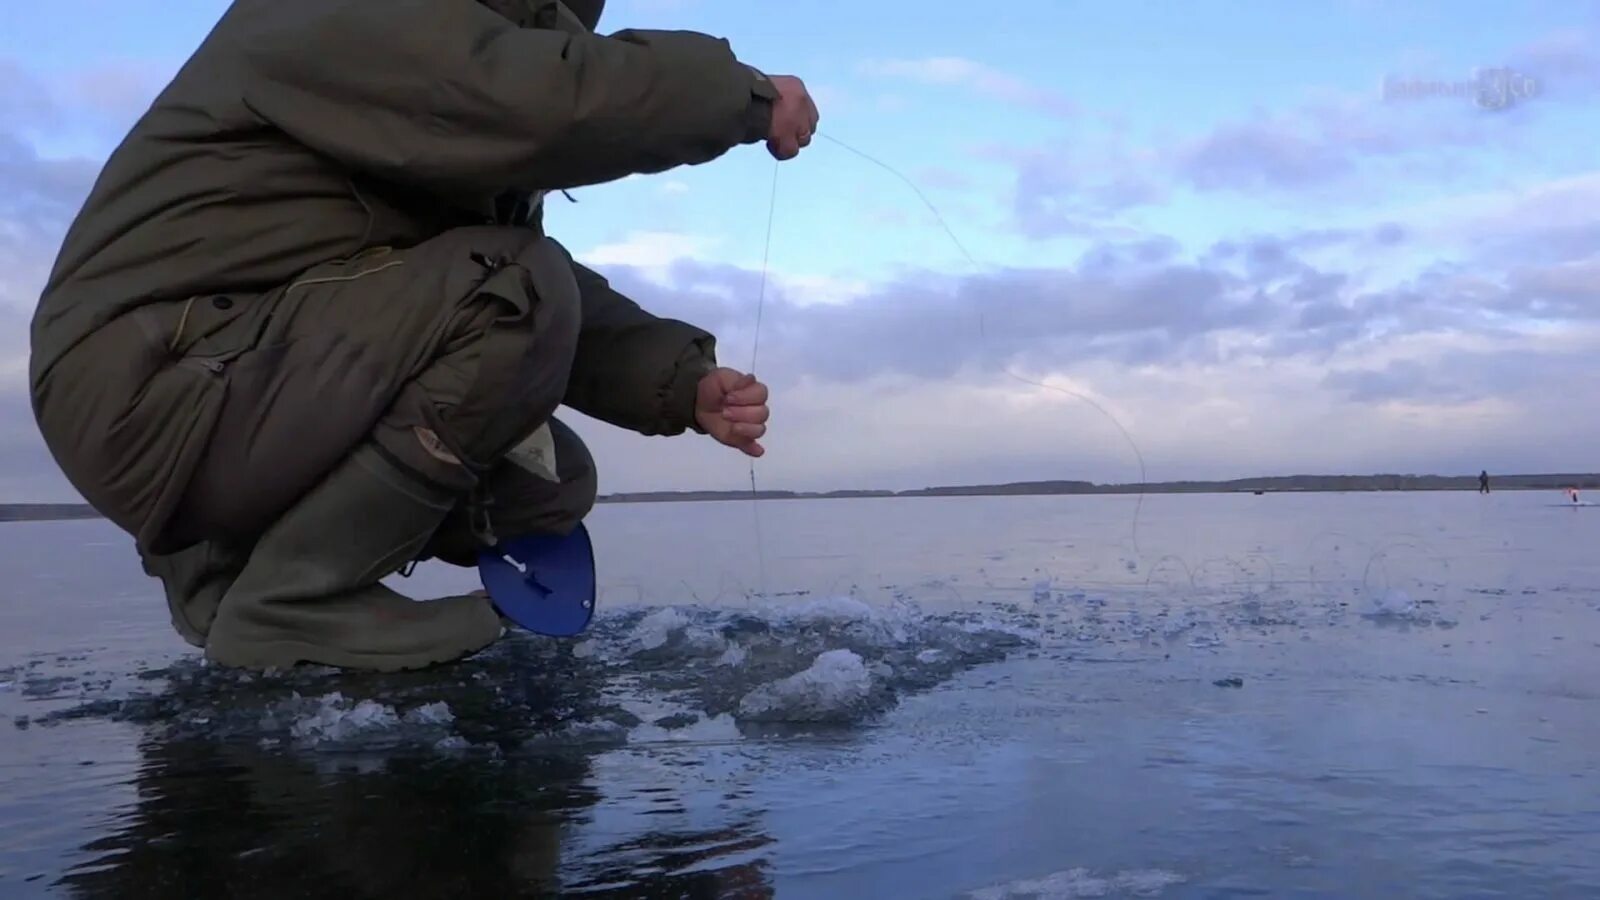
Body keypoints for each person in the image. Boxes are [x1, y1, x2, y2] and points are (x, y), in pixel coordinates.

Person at [27, 0, 819, 672]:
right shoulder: (350, 16)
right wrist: (741, 96)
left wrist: (679, 379)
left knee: (548, 480)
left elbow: (491, 279)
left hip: (235, 374)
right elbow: (526, 115)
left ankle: (225, 579)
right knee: (512, 286)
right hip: (153, 376)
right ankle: (294, 601)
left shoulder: (440, 87)